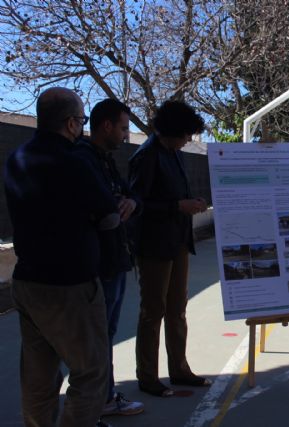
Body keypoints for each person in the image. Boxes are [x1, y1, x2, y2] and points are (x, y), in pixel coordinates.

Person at [4, 87, 119, 426]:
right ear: (70, 123)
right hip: (70, 285)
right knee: (92, 372)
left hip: (27, 281)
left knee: (38, 375)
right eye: (82, 121)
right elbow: (109, 216)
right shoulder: (74, 161)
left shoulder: (17, 159)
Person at [129, 100, 209, 397]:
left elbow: (177, 194)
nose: (189, 140)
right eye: (186, 134)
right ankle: (147, 377)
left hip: (177, 242)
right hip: (154, 246)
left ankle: (179, 369)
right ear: (172, 131)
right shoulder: (146, 156)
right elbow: (137, 204)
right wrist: (178, 206)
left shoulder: (173, 153)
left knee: (178, 309)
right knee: (153, 312)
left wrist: (192, 202)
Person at [73, 99, 145, 417]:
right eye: (124, 127)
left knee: (107, 333)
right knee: (96, 336)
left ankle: (105, 396)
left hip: (116, 260)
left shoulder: (106, 160)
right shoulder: (82, 159)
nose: (126, 134)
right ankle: (96, 401)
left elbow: (130, 194)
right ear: (107, 126)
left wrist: (131, 202)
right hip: (98, 264)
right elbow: (95, 208)